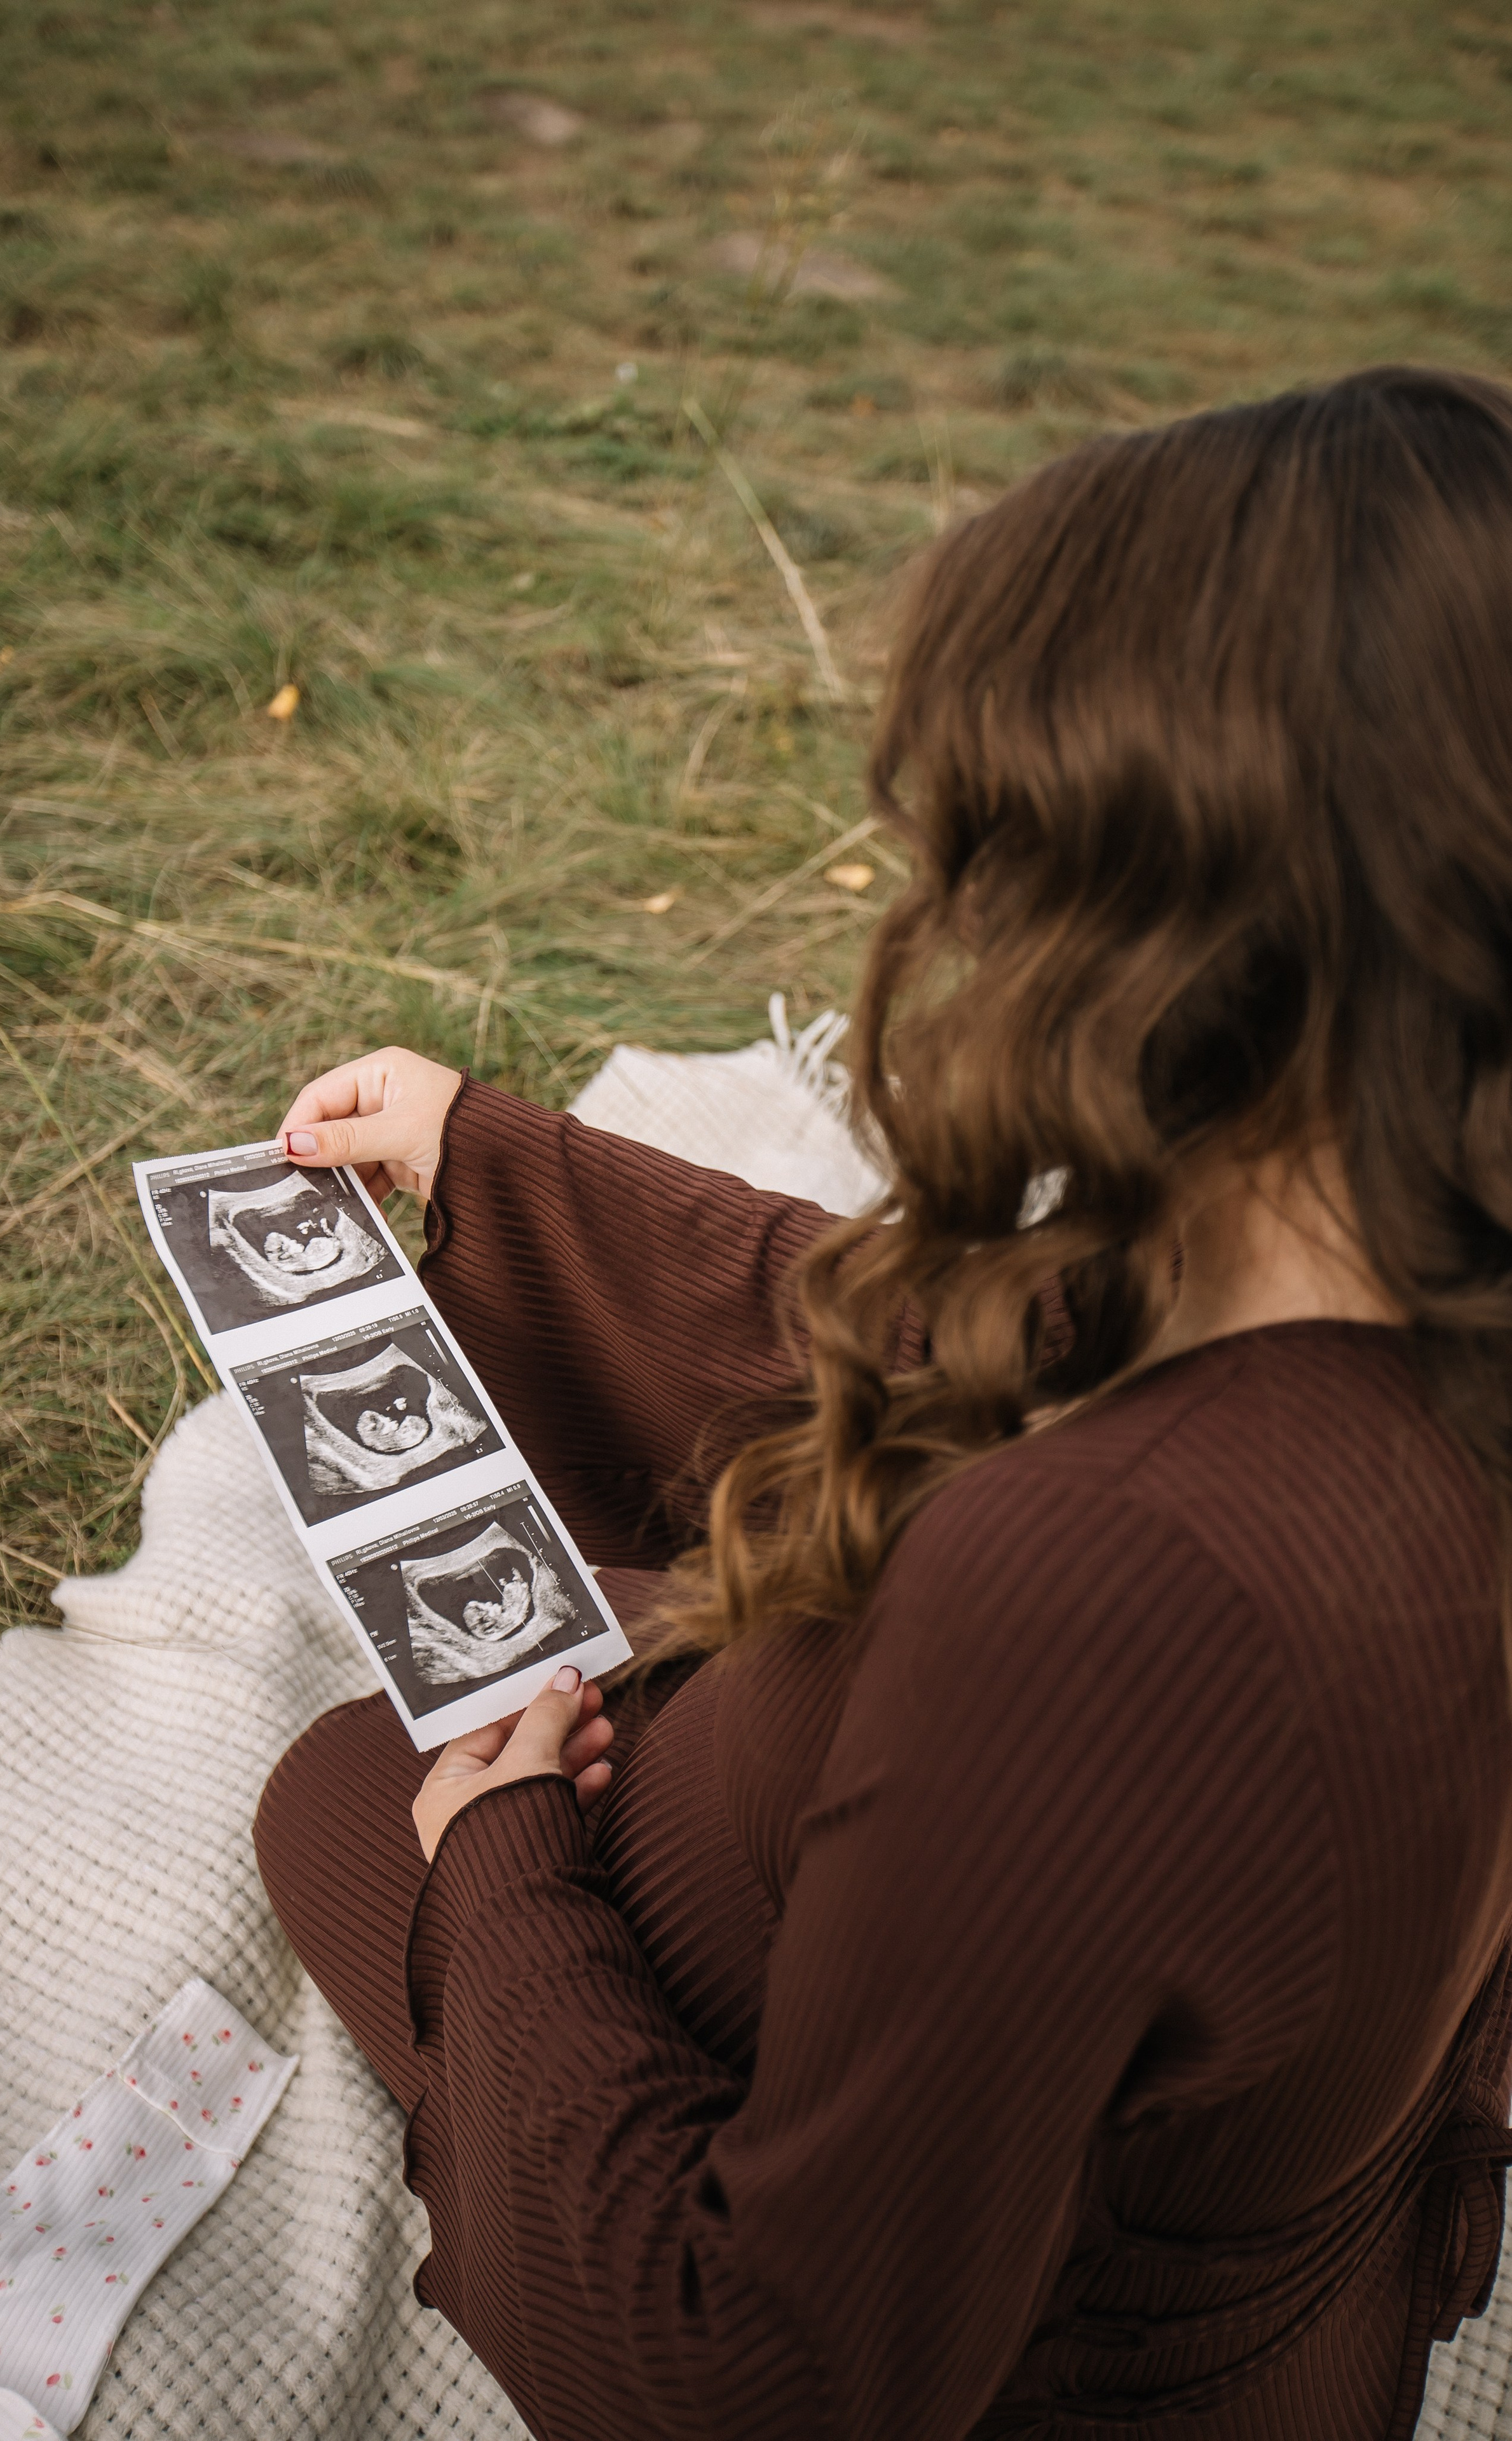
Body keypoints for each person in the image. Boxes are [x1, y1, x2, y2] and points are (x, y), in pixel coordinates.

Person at [252, 367, 1512, 2441]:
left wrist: (502, 1874)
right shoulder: (1388, 1260)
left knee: (340, 1787)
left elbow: (763, 2382)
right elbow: (939, 1346)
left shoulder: (1105, 1595)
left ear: (1155, 915)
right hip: (1134, 2021)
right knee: (626, 1586)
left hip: (975, 2229)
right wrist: (499, 1159)